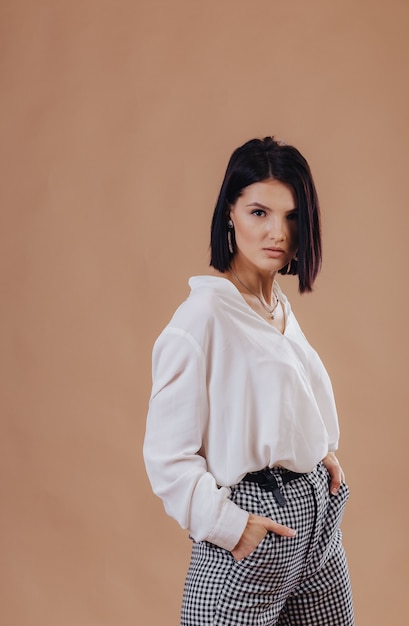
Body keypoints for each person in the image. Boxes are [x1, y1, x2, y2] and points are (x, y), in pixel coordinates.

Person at [143, 136, 354, 626]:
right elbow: (166, 457)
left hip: (317, 528)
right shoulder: (201, 320)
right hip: (255, 530)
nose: (278, 232)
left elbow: (280, 401)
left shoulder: (275, 306)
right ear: (229, 215)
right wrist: (229, 526)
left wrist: (318, 451)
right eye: (259, 212)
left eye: (292, 216)